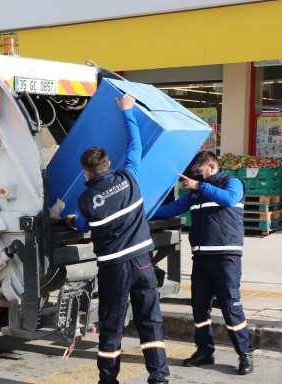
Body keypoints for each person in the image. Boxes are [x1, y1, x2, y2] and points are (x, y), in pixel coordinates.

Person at [65, 94, 169, 384]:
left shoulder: (85, 200)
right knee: (151, 322)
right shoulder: (129, 177)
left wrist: (71, 220)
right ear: (108, 163)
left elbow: (83, 223)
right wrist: (127, 111)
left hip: (114, 269)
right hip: (144, 264)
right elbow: (136, 146)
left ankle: (108, 380)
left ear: (85, 172)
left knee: (112, 325)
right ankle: (159, 377)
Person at [153, 150, 254, 375]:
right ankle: (205, 351)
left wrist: (199, 186)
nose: (196, 177)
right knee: (200, 308)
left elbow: (229, 199)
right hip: (201, 258)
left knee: (231, 307)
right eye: (194, 175)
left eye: (199, 173)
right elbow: (171, 210)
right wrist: (142, 209)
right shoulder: (196, 192)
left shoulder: (232, 183)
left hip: (226, 258)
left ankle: (245, 352)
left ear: (211, 167)